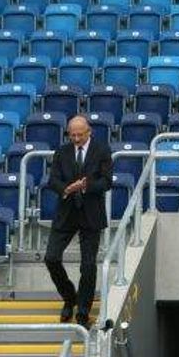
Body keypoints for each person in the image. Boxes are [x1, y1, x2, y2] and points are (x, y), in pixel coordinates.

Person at [44, 115, 113, 328]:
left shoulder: (102, 150)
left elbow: (107, 181)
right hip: (66, 213)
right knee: (51, 258)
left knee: (88, 266)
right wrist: (66, 189)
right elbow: (52, 180)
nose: (75, 139)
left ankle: (83, 313)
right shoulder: (62, 152)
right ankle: (69, 297)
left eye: (79, 135)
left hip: (91, 214)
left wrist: (85, 186)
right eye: (72, 135)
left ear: (88, 132)